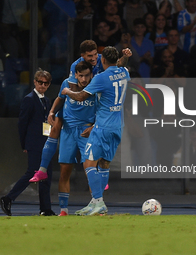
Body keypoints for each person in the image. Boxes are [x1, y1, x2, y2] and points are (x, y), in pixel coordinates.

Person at [29, 40, 132, 183]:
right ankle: (42, 170)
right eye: (90, 56)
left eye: (95, 54)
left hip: (93, 102)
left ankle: (99, 182)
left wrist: (125, 56)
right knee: (55, 127)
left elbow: (117, 65)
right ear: (82, 56)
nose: (94, 58)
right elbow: (73, 90)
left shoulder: (102, 61)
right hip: (74, 103)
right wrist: (52, 111)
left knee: (98, 139)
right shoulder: (76, 66)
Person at [61, 46, 131, 216]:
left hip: (103, 126)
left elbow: (81, 96)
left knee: (89, 162)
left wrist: (67, 91)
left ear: (103, 61)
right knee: (104, 163)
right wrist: (125, 57)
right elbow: (121, 65)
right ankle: (95, 203)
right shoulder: (125, 72)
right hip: (118, 126)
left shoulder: (100, 78)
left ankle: (99, 202)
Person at [0, 69, 55, 216]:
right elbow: (22, 123)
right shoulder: (29, 99)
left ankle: (45, 208)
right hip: (34, 142)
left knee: (46, 175)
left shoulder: (46, 100)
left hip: (45, 142)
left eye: (46, 83)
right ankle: (8, 198)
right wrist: (24, 144)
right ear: (35, 82)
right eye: (40, 82)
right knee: (32, 172)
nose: (43, 85)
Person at [54, 61, 96, 216]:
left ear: (91, 74)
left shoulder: (96, 85)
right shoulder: (67, 83)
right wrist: (51, 113)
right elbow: (59, 99)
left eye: (86, 75)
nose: (84, 79)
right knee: (65, 171)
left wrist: (93, 127)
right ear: (76, 75)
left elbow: (103, 110)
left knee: (91, 170)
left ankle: (97, 206)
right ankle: (63, 210)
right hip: (68, 131)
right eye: (81, 76)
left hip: (87, 131)